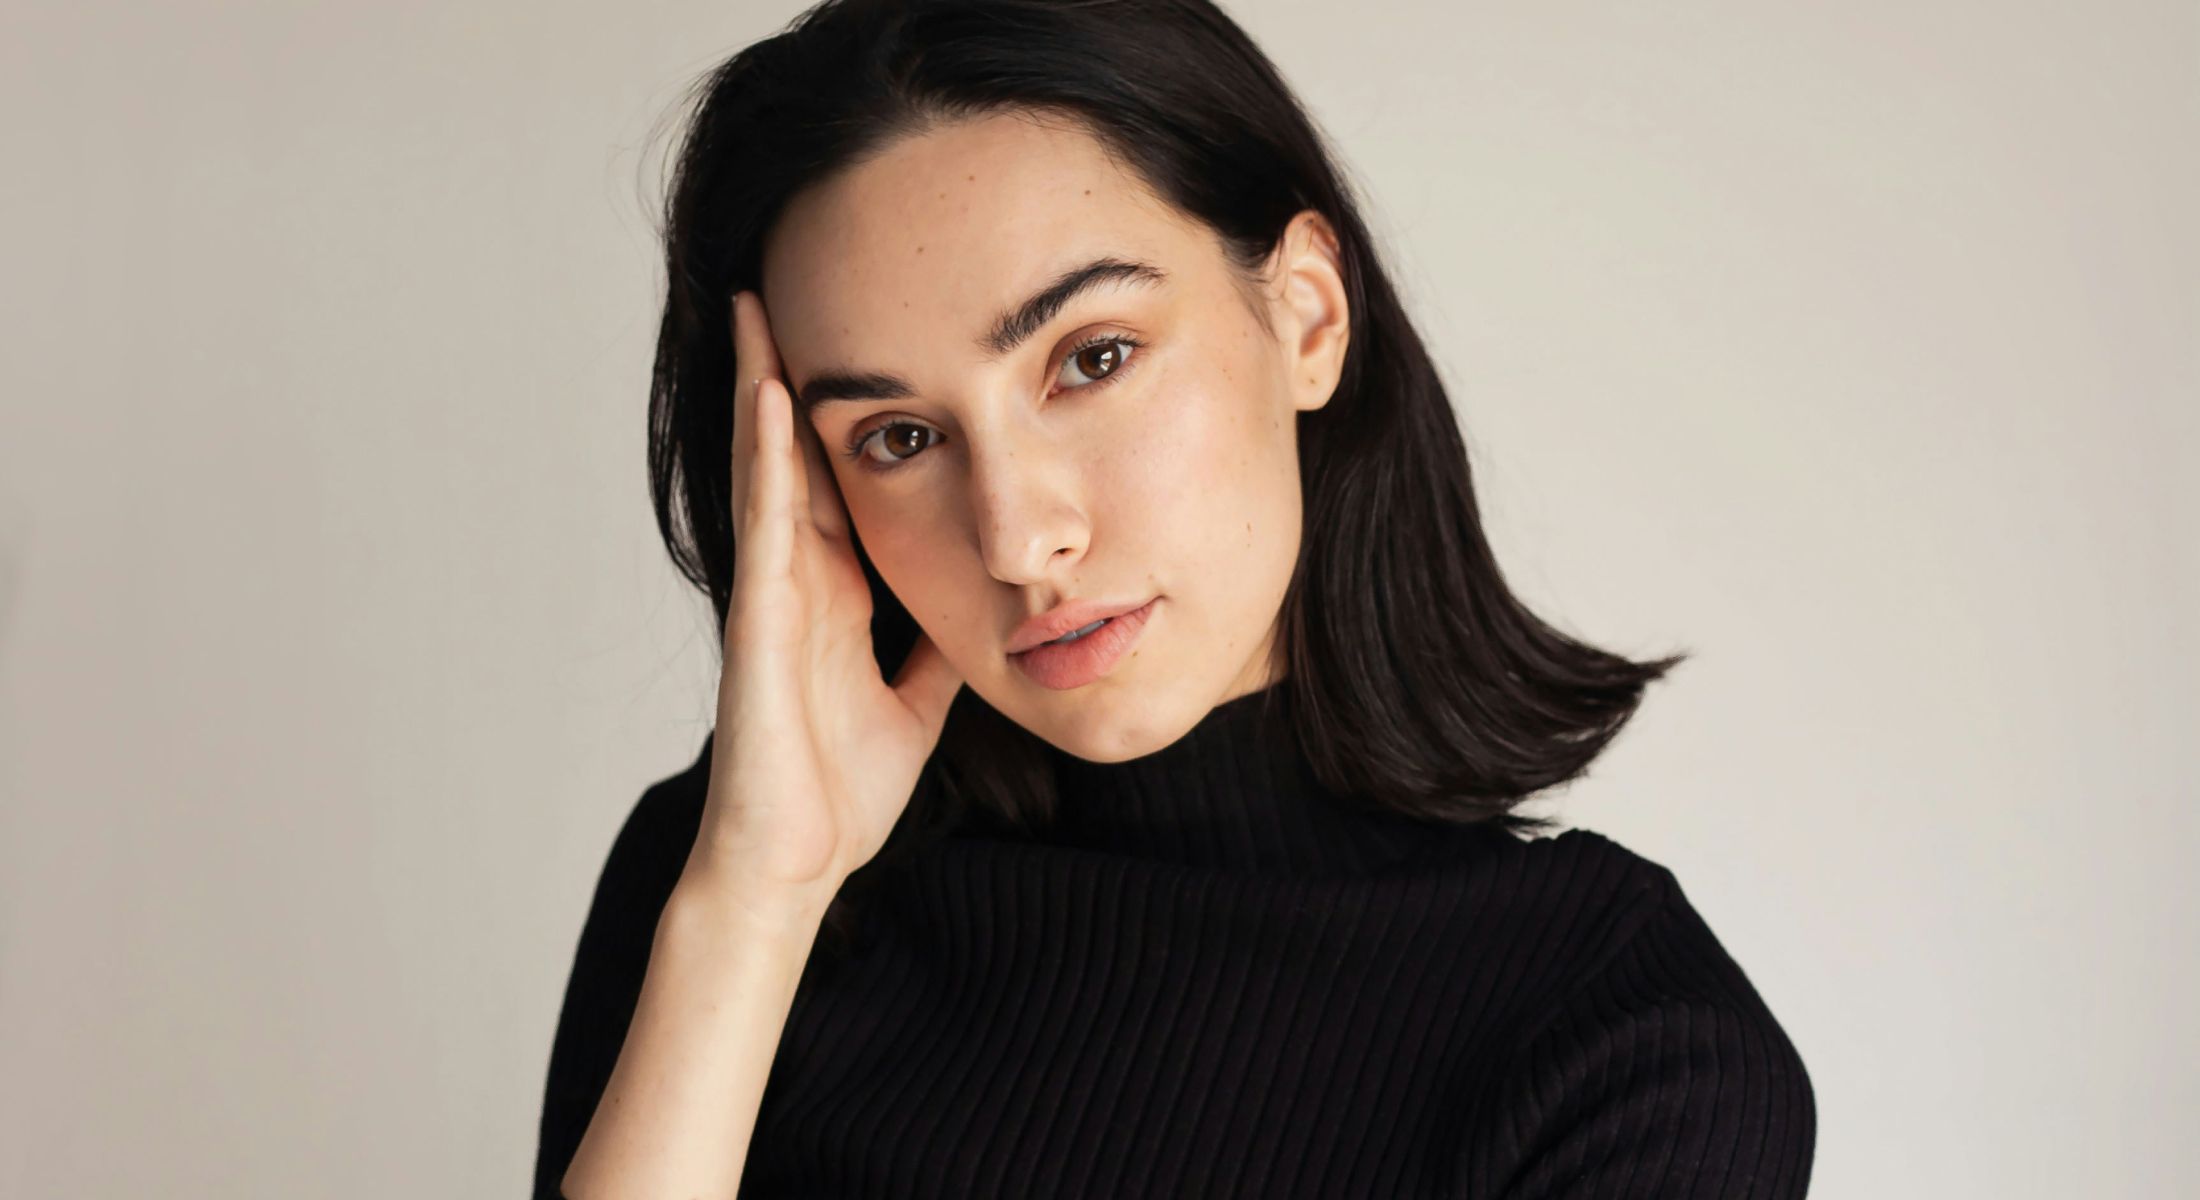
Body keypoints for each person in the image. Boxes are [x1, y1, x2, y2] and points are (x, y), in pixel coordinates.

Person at [536, 0, 1817, 1195]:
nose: (1020, 536)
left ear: (1308, 315)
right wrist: (757, 902)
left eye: (1091, 360)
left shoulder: (1627, 1047)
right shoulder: (732, 882)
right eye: (897, 437)